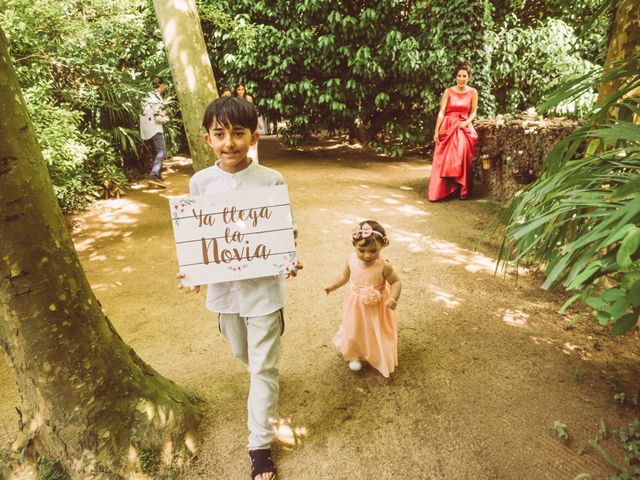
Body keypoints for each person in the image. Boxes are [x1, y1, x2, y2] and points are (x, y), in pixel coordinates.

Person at [177, 96, 301, 480]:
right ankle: (263, 377)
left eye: (238, 133)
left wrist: (288, 255)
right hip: (224, 292)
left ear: (254, 137)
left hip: (264, 289)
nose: (229, 142)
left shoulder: (271, 179)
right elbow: (195, 233)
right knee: (241, 351)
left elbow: (285, 229)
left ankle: (259, 447)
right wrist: (193, 270)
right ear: (207, 139)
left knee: (262, 367)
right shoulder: (201, 182)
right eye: (220, 134)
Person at [324, 220, 401, 377]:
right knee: (355, 328)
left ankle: (378, 355)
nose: (367, 255)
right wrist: (333, 286)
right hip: (356, 303)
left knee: (377, 330)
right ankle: (355, 354)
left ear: (383, 245)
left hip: (379, 305)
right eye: (362, 250)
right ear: (354, 245)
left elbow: (396, 282)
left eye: (373, 251)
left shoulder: (384, 266)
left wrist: (393, 297)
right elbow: (344, 276)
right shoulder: (351, 259)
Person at [427, 61, 478, 201]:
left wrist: (467, 122)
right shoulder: (448, 91)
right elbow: (441, 112)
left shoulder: (473, 92)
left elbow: (473, 112)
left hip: (462, 126)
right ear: (455, 76)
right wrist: (436, 131)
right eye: (459, 75)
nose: (462, 78)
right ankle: (441, 192)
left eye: (465, 76)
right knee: (443, 159)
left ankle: (458, 189)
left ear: (469, 77)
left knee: (461, 157)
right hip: (447, 126)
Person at [140, 76, 170, 188]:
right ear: (161, 86)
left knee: (156, 152)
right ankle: (154, 175)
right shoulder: (157, 98)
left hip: (146, 128)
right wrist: (165, 118)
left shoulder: (146, 96)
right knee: (162, 151)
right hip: (155, 127)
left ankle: (157, 176)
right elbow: (157, 117)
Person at [234, 83, 260, 163]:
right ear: (236, 90)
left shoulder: (248, 98)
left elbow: (253, 111)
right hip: (239, 122)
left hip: (250, 121)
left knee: (252, 143)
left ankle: (254, 162)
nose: (241, 91)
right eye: (239, 89)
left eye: (242, 89)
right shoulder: (234, 100)